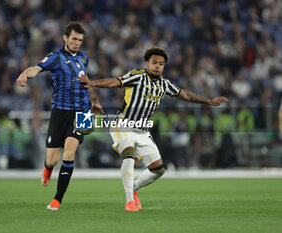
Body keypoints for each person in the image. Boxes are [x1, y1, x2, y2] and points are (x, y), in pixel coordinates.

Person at [79, 47, 228, 211]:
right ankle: (129, 201)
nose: (158, 66)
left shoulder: (164, 84)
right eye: (154, 62)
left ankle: (134, 189)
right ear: (147, 63)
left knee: (158, 170)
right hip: (123, 124)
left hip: (143, 131)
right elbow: (115, 81)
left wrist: (209, 101)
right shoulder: (137, 76)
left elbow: (185, 94)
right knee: (129, 156)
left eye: (161, 64)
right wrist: (92, 83)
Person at [16, 22, 103, 211]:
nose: (77, 43)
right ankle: (47, 170)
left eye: (80, 40)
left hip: (82, 112)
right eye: (74, 39)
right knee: (52, 160)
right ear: (65, 38)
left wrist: (95, 100)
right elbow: (37, 68)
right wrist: (24, 74)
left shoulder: (83, 58)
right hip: (60, 112)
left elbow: (86, 82)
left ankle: (57, 199)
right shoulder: (56, 57)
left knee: (69, 153)